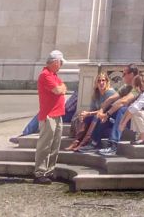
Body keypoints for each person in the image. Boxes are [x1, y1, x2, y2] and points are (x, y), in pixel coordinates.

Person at [90, 64, 141, 154]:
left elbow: (123, 101)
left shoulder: (139, 86)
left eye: (124, 74)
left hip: (140, 119)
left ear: (132, 74)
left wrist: (107, 114)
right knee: (108, 108)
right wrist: (102, 111)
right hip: (128, 117)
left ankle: (113, 145)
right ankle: (95, 142)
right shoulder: (126, 87)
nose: (122, 76)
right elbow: (110, 99)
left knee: (122, 109)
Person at [33, 50, 66, 184]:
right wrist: (61, 88)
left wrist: (62, 87)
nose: (62, 65)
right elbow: (59, 90)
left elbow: (63, 87)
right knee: (45, 145)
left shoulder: (54, 75)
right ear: (55, 62)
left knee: (55, 144)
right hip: (49, 115)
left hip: (57, 114)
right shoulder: (45, 75)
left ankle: (50, 170)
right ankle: (40, 172)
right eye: (61, 62)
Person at [66, 72, 116, 149]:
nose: (101, 83)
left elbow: (104, 110)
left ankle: (83, 142)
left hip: (110, 119)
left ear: (107, 82)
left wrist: (88, 113)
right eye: (99, 81)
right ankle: (76, 142)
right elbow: (93, 110)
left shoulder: (110, 93)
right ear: (96, 83)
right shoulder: (96, 94)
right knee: (86, 117)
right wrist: (84, 115)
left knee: (94, 116)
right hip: (98, 118)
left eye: (103, 80)